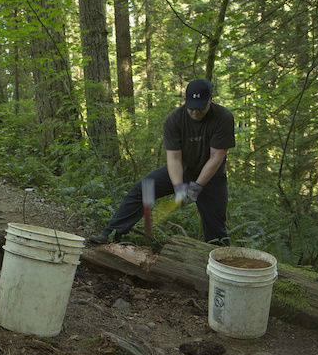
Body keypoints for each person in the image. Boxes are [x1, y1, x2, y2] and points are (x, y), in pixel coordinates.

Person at [88, 78, 235, 245]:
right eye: (191, 107)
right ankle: (110, 233)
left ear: (210, 99)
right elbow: (174, 158)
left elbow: (216, 156)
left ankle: (218, 264)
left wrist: (197, 187)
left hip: (211, 178)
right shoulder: (174, 119)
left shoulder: (223, 118)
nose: (195, 112)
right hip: (182, 169)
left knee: (215, 223)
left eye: (200, 108)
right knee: (143, 189)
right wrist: (179, 187)